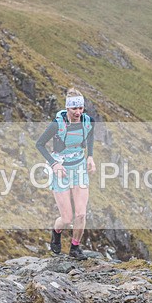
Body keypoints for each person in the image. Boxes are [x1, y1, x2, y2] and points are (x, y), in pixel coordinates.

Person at [35, 88, 96, 260]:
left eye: (81, 108)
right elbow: (39, 144)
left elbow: (90, 136)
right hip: (61, 170)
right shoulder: (57, 124)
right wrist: (54, 164)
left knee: (81, 214)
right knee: (67, 218)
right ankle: (56, 233)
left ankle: (75, 248)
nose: (78, 112)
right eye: (74, 109)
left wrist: (90, 156)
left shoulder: (88, 121)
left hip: (79, 168)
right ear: (67, 108)